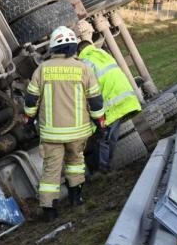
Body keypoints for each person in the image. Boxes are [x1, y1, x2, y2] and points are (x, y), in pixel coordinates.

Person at [24, 26, 105, 222]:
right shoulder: (84, 68)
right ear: (73, 47)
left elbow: (30, 100)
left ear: (53, 48)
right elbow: (95, 100)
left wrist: (29, 121)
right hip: (78, 133)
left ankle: (49, 210)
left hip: (52, 134)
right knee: (76, 163)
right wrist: (100, 122)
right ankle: (76, 197)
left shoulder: (42, 69)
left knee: (51, 170)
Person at [77, 40, 143, 171]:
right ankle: (106, 169)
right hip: (125, 101)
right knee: (110, 137)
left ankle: (102, 171)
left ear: (79, 52)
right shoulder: (102, 54)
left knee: (102, 139)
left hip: (110, 106)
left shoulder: (85, 63)